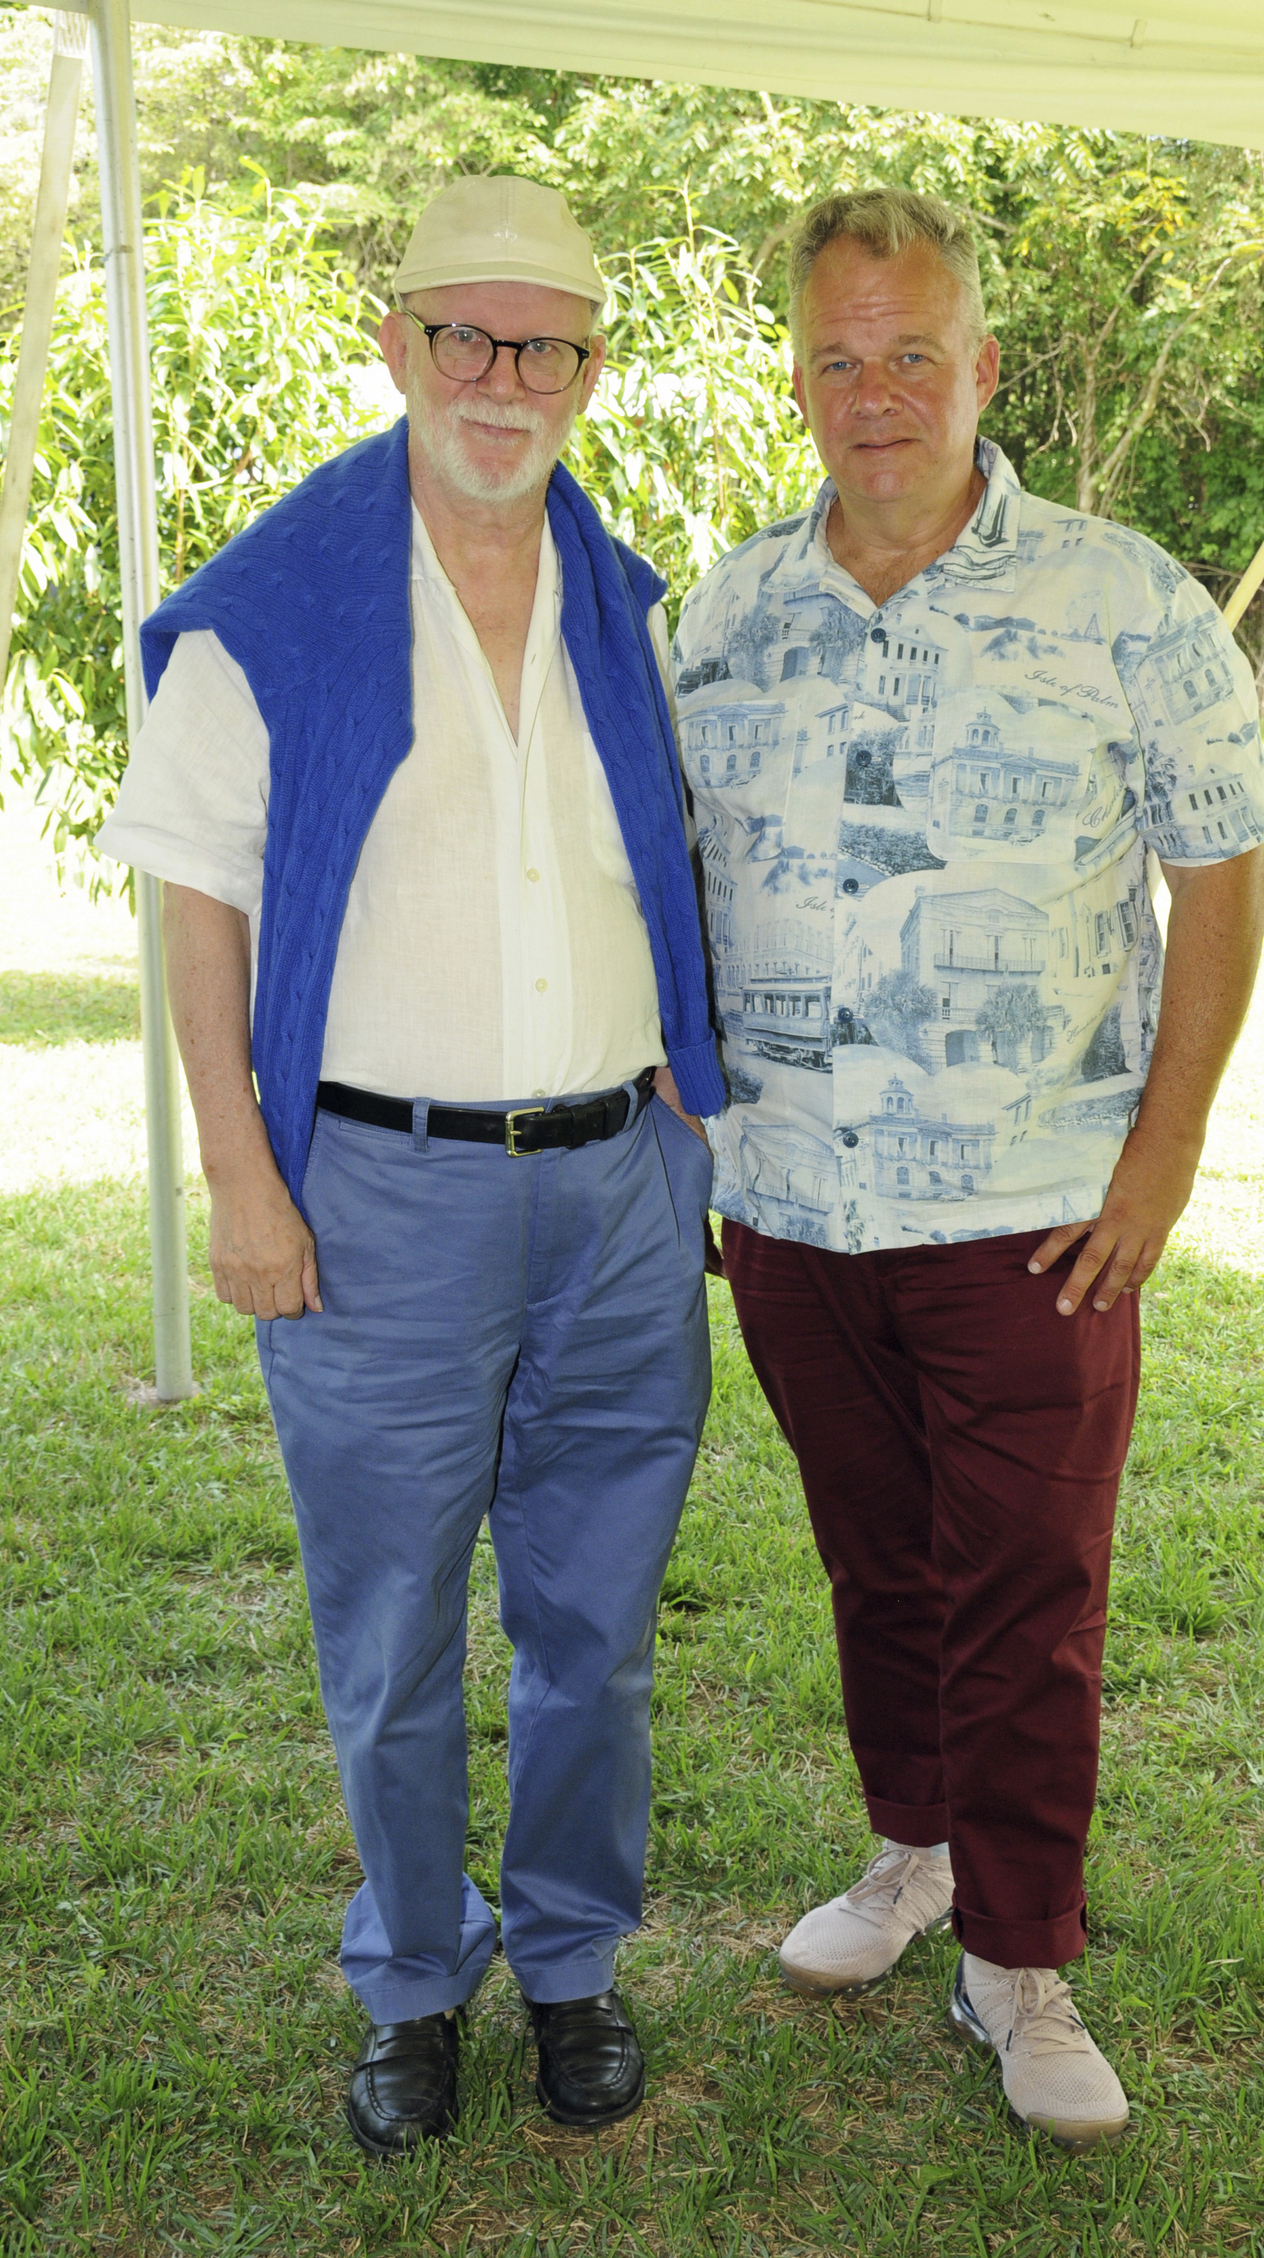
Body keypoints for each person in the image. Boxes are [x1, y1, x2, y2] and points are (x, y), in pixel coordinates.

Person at [98, 175, 723, 2156]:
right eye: (467, 332)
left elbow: (677, 866)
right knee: (391, 1635)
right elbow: (195, 901)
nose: (501, 377)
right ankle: (406, 1975)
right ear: (396, 344)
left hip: (621, 1185)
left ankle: (566, 1963)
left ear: (588, 377)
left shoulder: (628, 602)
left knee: (596, 1628)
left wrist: (693, 1100)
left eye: (544, 345)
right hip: (374, 1195)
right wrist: (238, 1175)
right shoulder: (275, 603)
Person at [672, 188, 1264, 2152]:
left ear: (984, 365)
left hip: (1035, 1218)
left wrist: (1162, 1157)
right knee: (879, 1565)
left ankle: (1020, 1960)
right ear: (797, 375)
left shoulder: (1125, 596)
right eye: (838, 358)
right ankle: (913, 1851)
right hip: (792, 1205)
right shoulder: (723, 608)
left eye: (911, 352)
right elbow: (668, 878)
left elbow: (1222, 867)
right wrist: (694, 1130)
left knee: (1028, 1589)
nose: (875, 394)